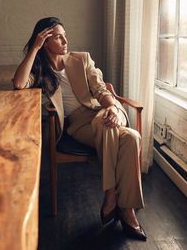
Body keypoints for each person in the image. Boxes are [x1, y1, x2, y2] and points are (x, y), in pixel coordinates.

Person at [13, 17, 147, 241]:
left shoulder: (81, 59)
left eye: (65, 34)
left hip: (104, 112)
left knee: (106, 124)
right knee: (132, 138)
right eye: (57, 37)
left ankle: (111, 196)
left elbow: (101, 89)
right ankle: (127, 210)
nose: (65, 40)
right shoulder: (41, 72)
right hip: (78, 124)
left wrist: (112, 108)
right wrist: (34, 48)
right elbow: (18, 83)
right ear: (45, 41)